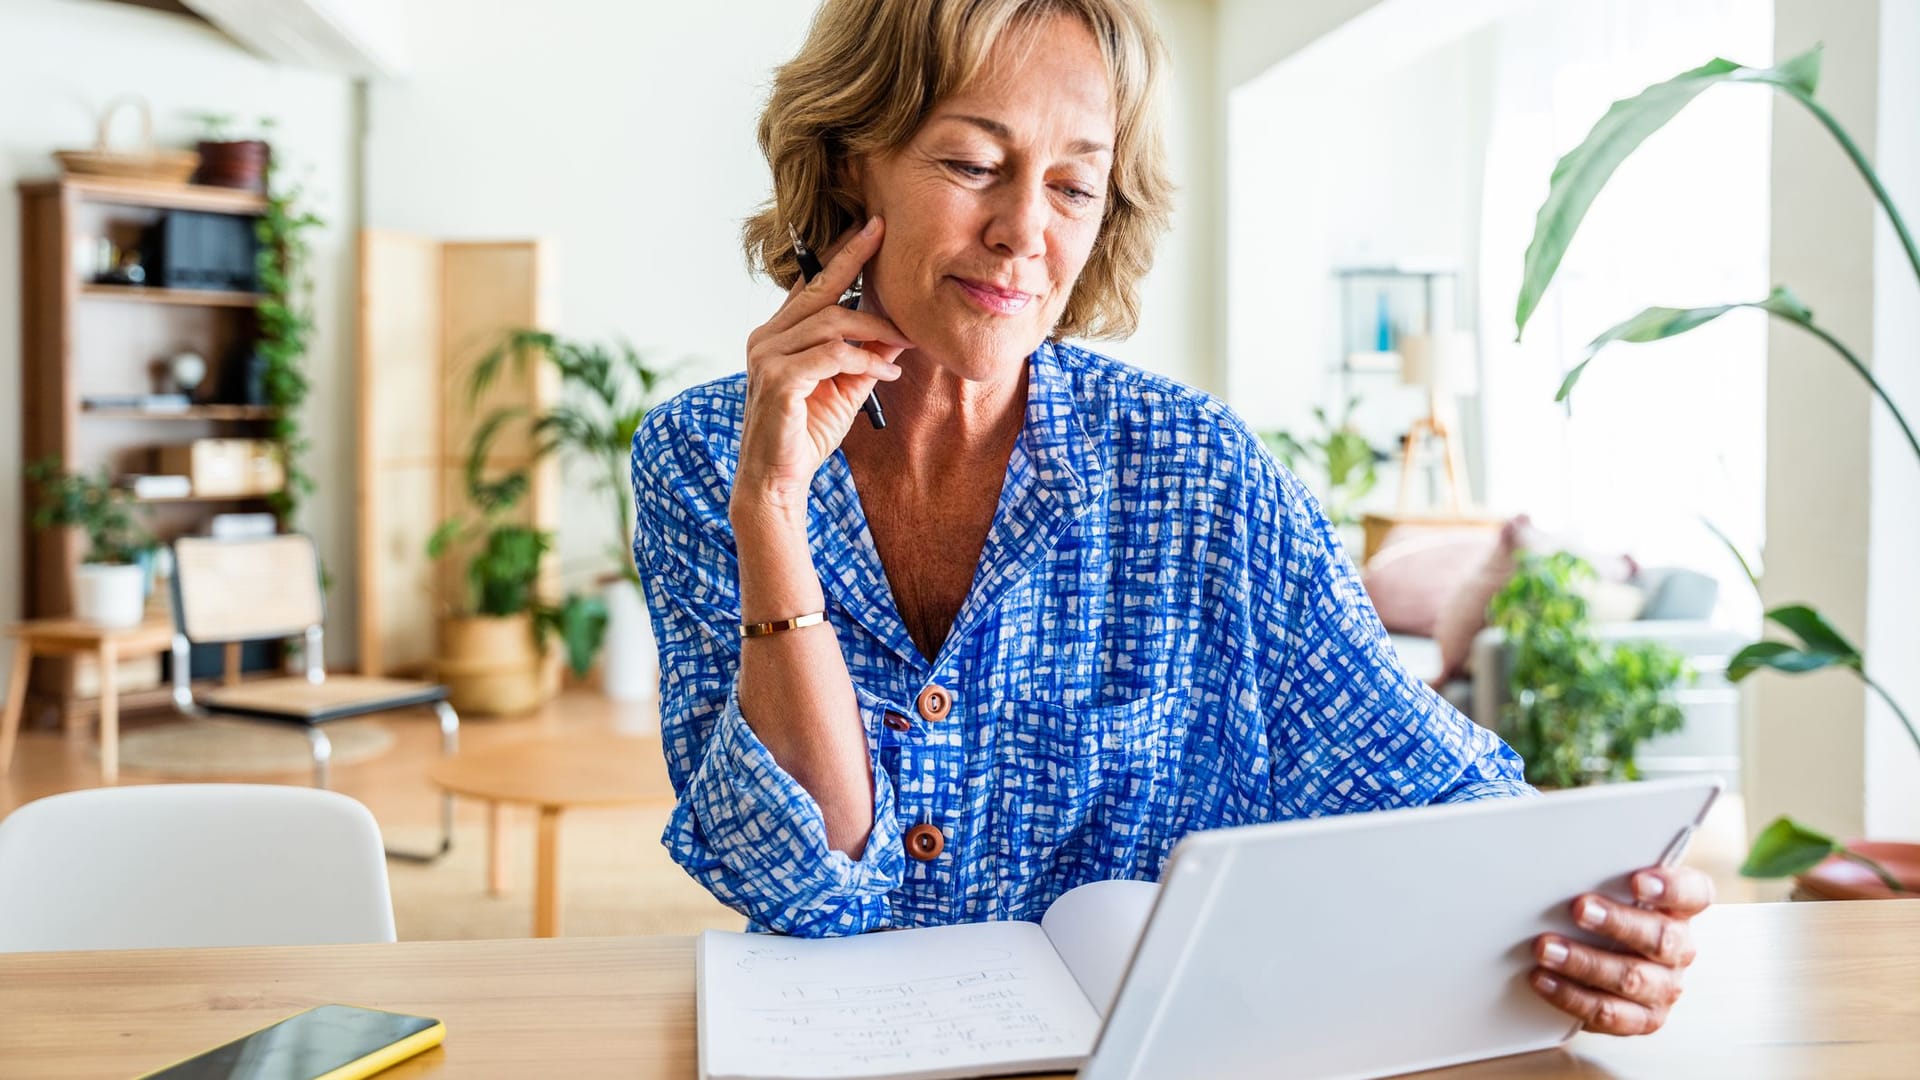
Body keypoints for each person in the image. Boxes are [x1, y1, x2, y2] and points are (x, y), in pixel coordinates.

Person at [632, 0, 1710, 1037]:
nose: (1023, 233)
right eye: (972, 165)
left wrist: (1604, 923)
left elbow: (1416, 772)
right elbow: (793, 877)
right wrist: (771, 508)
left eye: (1074, 187)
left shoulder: (1201, 473)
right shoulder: (698, 458)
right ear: (844, 162)